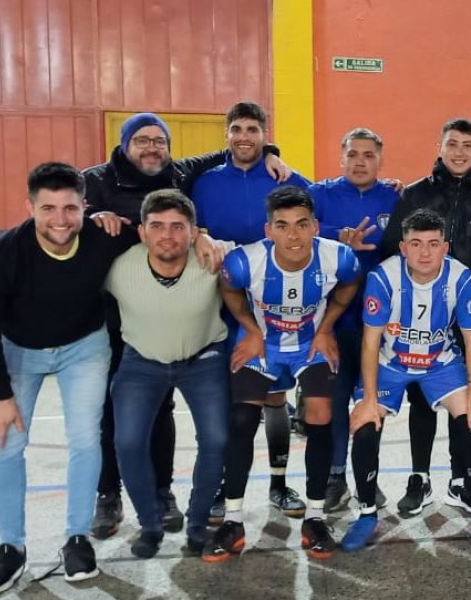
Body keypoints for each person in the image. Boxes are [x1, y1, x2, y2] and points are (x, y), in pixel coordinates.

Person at [83, 112, 289, 539]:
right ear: (124, 145)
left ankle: (163, 493)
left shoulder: (179, 171)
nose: (151, 148)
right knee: (113, 414)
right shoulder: (97, 181)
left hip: (179, 301)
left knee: (165, 411)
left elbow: (231, 149)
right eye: (142, 140)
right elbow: (67, 219)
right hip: (122, 310)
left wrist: (268, 151)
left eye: (159, 140)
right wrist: (93, 215)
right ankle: (109, 493)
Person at [0, 162, 139, 594]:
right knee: (6, 442)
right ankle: (11, 548)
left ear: (85, 206)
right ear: (30, 207)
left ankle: (76, 538)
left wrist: (205, 237)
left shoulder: (103, 237)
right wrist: (0, 396)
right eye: (48, 209)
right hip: (18, 350)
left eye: (70, 208)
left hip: (84, 347)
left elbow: (160, 233)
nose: (60, 220)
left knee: (85, 439)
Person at [204, 186, 361, 561]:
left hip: (310, 343)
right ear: (269, 230)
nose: (293, 234)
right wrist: (252, 329)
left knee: (321, 415)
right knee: (242, 418)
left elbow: (350, 285)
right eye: (283, 225)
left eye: (302, 225)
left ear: (315, 227)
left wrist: (326, 329)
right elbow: (228, 287)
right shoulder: (246, 262)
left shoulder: (338, 258)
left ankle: (317, 517)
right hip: (263, 344)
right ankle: (234, 520)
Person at [342, 209, 471, 551]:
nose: (425, 252)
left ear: (445, 247)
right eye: (416, 244)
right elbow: (371, 342)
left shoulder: (461, 279)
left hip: (440, 363)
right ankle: (367, 514)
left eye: (433, 244)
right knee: (365, 425)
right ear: (403, 247)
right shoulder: (383, 278)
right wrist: (369, 399)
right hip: (391, 362)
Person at [380, 118, 471, 516]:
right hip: (418, 317)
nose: (458, 152)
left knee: (464, 394)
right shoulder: (414, 193)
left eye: (467, 146)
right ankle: (419, 477)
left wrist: (461, 300)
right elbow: (393, 248)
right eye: (452, 144)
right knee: (421, 398)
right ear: (439, 147)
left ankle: (460, 477)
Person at [192, 101, 312, 521]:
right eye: (237, 129)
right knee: (228, 402)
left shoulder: (288, 179)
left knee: (274, 396)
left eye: (253, 130)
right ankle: (225, 485)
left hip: (276, 310)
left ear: (265, 134)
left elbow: (320, 221)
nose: (245, 137)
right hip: (219, 305)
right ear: (226, 134)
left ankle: (280, 485)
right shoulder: (204, 183)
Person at [105, 190, 231, 558]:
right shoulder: (118, 268)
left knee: (217, 439)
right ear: (142, 232)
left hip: (203, 359)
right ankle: (150, 526)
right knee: (127, 443)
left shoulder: (214, 258)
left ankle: (197, 524)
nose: (167, 235)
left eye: (178, 227)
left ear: (193, 232)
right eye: (157, 226)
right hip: (141, 361)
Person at [309, 127, 399, 512]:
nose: (360, 161)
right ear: (341, 157)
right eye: (353, 154)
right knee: (333, 403)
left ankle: (368, 477)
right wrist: (336, 236)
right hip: (329, 324)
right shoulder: (319, 196)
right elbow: (296, 230)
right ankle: (334, 477)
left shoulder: (396, 197)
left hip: (378, 326)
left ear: (380, 160)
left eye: (368, 155)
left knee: (370, 404)